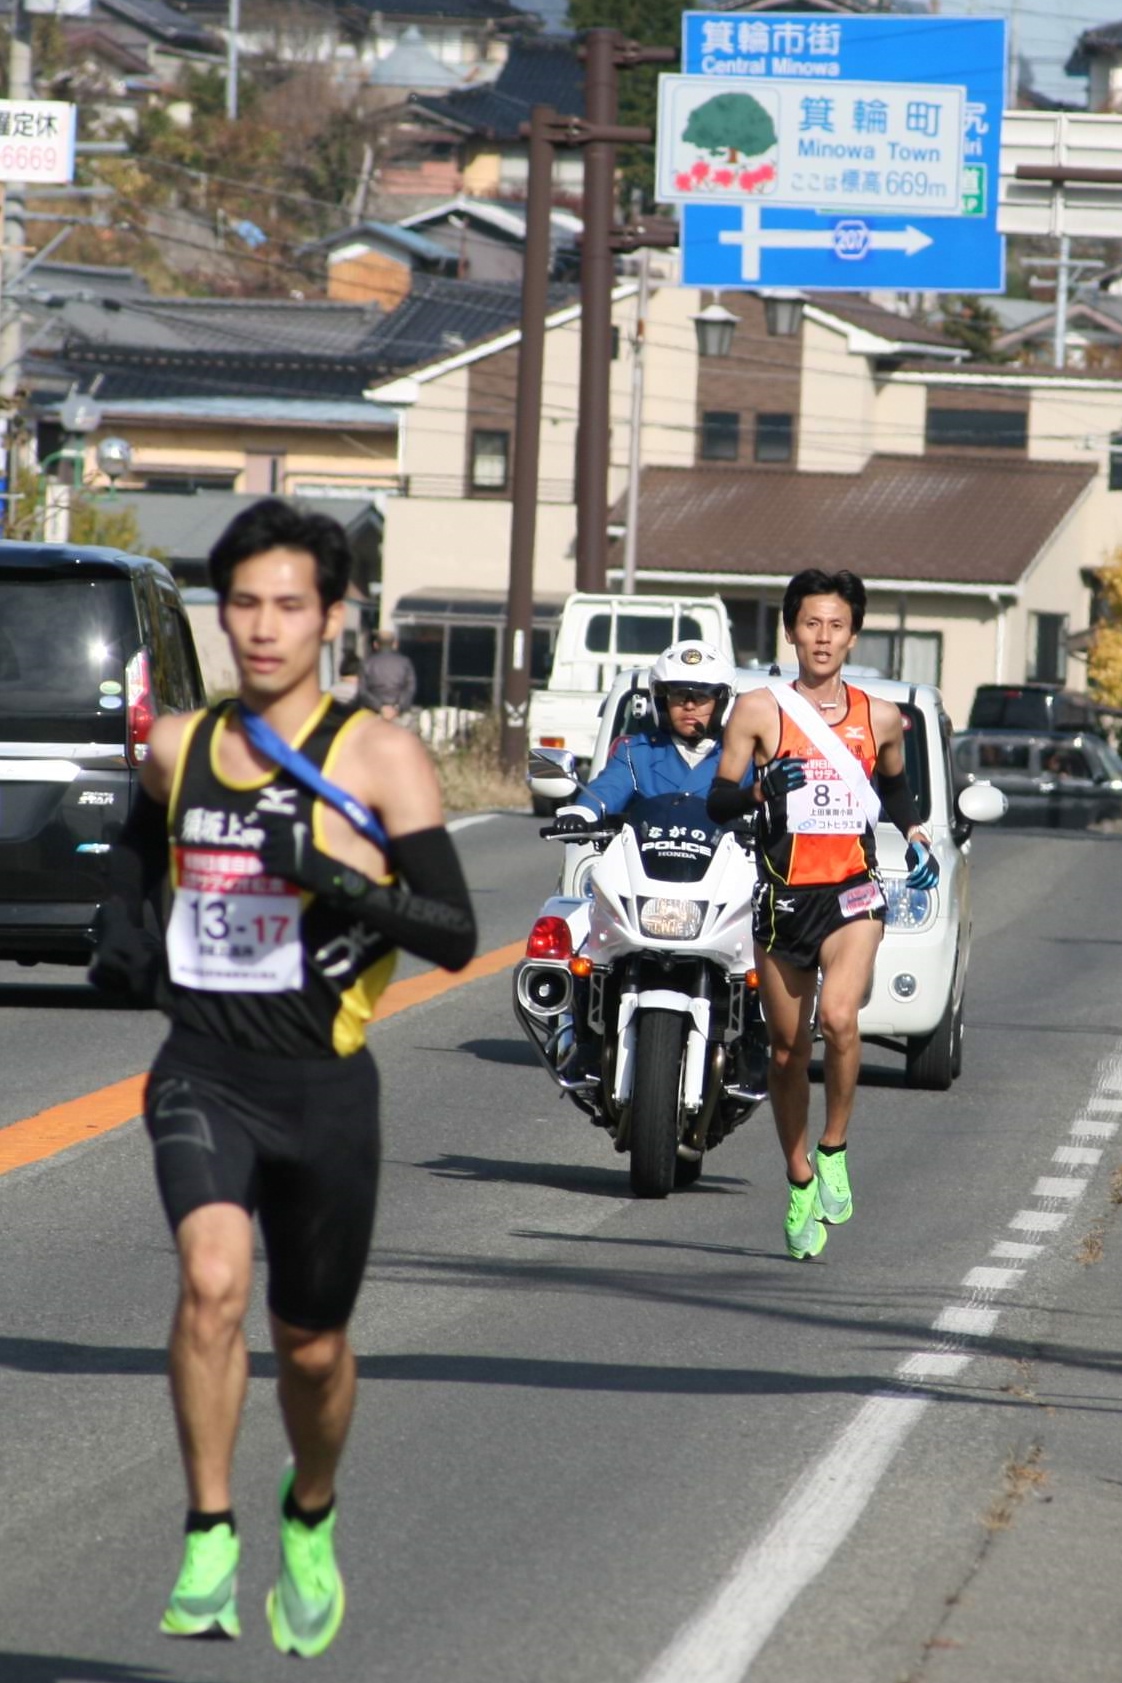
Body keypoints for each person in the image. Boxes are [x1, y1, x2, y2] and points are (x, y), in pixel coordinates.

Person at [89, 497, 476, 1656]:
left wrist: (329, 873)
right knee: (212, 1282)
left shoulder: (383, 758)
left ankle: (308, 1510)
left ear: (333, 617)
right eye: (243, 604)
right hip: (203, 1068)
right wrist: (122, 924)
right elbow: (139, 841)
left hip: (326, 1087)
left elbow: (454, 930)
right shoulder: (182, 745)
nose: (262, 628)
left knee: (309, 1346)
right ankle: (210, 1526)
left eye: (288, 606)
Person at [707, 569, 939, 1260]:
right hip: (783, 897)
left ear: (853, 634)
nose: (823, 637)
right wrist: (758, 790)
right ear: (790, 628)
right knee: (784, 1049)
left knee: (839, 1018)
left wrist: (918, 833)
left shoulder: (881, 715)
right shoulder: (756, 709)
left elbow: (896, 789)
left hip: (853, 891)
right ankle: (799, 1173)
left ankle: (834, 1146)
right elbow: (718, 803)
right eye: (811, 623)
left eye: (836, 625)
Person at [551, 639, 751, 832]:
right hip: (646, 864)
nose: (689, 706)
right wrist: (582, 813)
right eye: (679, 695)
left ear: (721, 704)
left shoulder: (746, 757)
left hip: (726, 863)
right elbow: (607, 790)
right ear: (662, 702)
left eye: (701, 697)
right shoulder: (637, 754)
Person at [358, 628, 416, 722]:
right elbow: (410, 689)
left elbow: (362, 691)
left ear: (375, 645)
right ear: (395, 644)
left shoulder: (367, 663)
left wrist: (380, 707)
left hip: (373, 715)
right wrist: (397, 707)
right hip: (399, 716)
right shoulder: (405, 663)